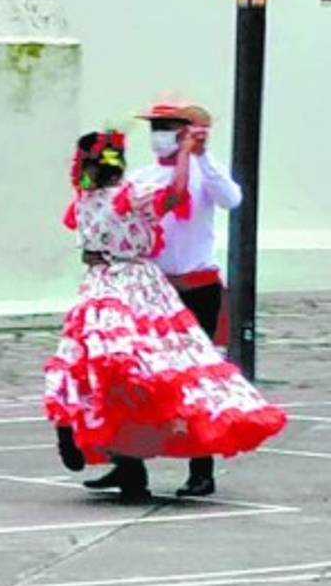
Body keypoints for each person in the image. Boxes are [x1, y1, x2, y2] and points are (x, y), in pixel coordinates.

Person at [45, 129, 286, 501]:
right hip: (141, 286)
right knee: (173, 366)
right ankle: (136, 462)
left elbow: (82, 228)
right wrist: (186, 156)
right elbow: (174, 196)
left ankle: (124, 463)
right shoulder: (130, 193)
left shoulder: (83, 199)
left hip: (98, 290)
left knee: (100, 368)